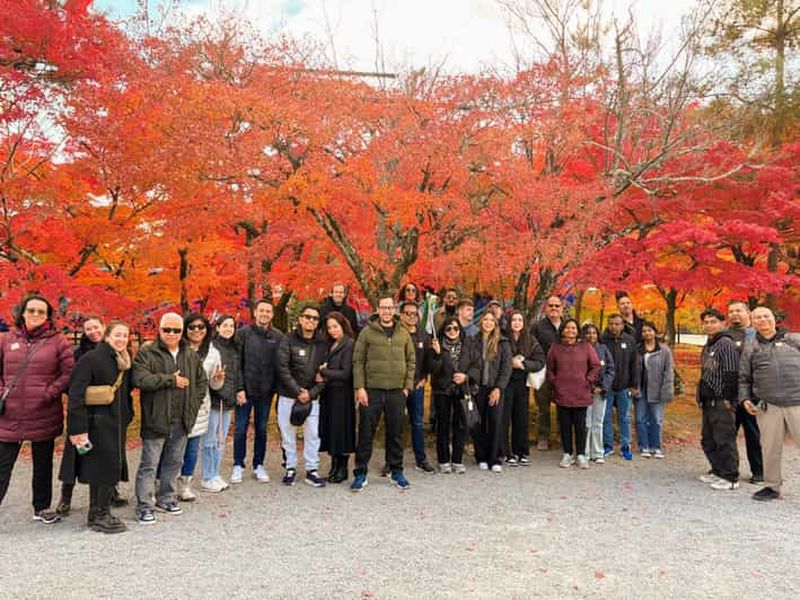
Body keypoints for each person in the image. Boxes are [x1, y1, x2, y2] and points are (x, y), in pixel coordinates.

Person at [0, 295, 75, 525]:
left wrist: (48, 392)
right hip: (10, 413)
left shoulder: (58, 342)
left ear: (47, 316)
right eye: (31, 310)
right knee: (2, 464)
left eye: (41, 312)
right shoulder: (5, 339)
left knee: (42, 464)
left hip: (44, 411)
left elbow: (68, 373)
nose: (35, 315)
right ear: (22, 312)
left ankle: (41, 507)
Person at [132, 312, 208, 524]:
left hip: (181, 419)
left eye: (176, 330)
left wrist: (192, 407)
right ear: (160, 329)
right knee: (149, 464)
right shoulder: (147, 353)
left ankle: (166, 498)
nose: (171, 334)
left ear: (182, 332)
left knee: (174, 462)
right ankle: (144, 505)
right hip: (156, 418)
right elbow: (140, 379)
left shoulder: (189, 354)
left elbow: (201, 382)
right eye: (167, 329)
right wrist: (170, 380)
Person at [65, 321, 133, 533]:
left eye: (125, 335)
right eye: (117, 335)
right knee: (101, 468)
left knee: (107, 467)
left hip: (116, 422)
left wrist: (128, 414)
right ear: (107, 336)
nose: (121, 339)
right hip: (97, 423)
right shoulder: (91, 359)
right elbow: (75, 395)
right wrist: (77, 428)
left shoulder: (122, 360)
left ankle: (98, 512)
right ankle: (100, 514)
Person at [350, 296, 415, 492]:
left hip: (396, 391)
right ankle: (360, 473)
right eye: (383, 308)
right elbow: (358, 361)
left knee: (395, 433)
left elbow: (411, 361)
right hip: (372, 390)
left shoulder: (403, 333)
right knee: (365, 433)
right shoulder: (367, 332)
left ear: (394, 310)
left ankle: (396, 471)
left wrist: (407, 388)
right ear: (378, 309)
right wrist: (360, 387)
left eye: (390, 308)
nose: (387, 311)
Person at [739, 306, 800, 502]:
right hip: (768, 405)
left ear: (774, 318)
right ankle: (772, 487)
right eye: (757, 317)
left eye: (766, 316)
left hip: (797, 402)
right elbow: (744, 378)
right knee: (769, 448)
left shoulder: (794, 340)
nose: (762, 320)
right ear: (752, 322)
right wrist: (745, 399)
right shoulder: (750, 347)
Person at [232, 299, 283, 484]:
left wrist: (275, 388)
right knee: (240, 428)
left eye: (268, 311)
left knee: (261, 429)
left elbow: (280, 364)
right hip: (245, 391)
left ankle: (258, 464)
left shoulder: (278, 336)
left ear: (272, 314)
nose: (264, 314)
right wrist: (239, 388)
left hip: (266, 392)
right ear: (255, 312)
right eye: (261, 310)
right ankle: (238, 464)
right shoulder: (243, 334)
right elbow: (236, 363)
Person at [276, 304, 328, 487]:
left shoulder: (322, 343)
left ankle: (312, 470)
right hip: (288, 395)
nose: (311, 321)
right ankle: (290, 468)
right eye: (307, 317)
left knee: (313, 434)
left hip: (312, 397)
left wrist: (311, 393)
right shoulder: (287, 339)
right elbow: (282, 368)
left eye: (315, 318)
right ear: (300, 318)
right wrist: (298, 392)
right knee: (287, 433)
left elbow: (325, 373)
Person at [177, 313, 224, 501]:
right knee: (172, 448)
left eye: (201, 327)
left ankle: (184, 485)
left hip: (200, 406)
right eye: (192, 327)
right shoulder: (177, 348)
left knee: (192, 448)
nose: (196, 330)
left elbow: (214, 386)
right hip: (177, 403)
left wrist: (218, 380)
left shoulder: (213, 353)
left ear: (207, 330)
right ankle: (163, 484)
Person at [428, 317, 481, 474]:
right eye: (448, 328)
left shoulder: (468, 345)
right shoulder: (436, 344)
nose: (452, 331)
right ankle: (443, 460)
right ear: (444, 330)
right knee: (443, 425)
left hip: (462, 390)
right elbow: (433, 369)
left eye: (456, 328)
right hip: (442, 390)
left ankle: (457, 459)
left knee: (461, 425)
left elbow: (477, 365)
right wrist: (437, 354)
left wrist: (466, 376)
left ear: (460, 330)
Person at [547, 318, 601, 469]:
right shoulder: (555, 347)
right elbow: (549, 369)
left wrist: (588, 380)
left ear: (578, 331)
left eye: (573, 328)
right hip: (562, 392)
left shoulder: (586, 346)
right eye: (567, 328)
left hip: (581, 392)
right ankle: (567, 453)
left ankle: (581, 454)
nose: (570, 330)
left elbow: (596, 366)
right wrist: (555, 382)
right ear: (562, 330)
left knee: (580, 425)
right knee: (564, 425)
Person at [697, 308, 740, 491]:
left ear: (723, 323)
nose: (709, 325)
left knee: (724, 439)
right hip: (708, 400)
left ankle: (730, 476)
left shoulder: (726, 344)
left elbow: (732, 372)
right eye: (706, 322)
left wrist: (729, 398)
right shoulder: (710, 344)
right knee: (708, 439)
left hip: (722, 400)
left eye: (713, 322)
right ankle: (717, 470)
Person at [201, 315, 243, 493]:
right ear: (217, 328)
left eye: (231, 326)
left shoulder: (235, 347)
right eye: (225, 325)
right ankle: (207, 476)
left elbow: (237, 372)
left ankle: (215, 473)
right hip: (215, 399)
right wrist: (222, 393)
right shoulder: (211, 347)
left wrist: (239, 390)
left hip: (228, 400)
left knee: (221, 439)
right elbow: (210, 375)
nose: (228, 329)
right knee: (210, 439)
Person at [726, 300, 763, 484]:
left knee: (753, 434)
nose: (734, 314)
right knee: (726, 434)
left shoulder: (757, 335)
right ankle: (727, 469)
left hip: (752, 394)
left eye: (738, 310)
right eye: (731, 311)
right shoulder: (724, 335)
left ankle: (759, 471)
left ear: (748, 312)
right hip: (730, 393)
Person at [502, 311, 545, 466]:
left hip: (521, 383)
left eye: (520, 320)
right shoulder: (502, 337)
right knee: (504, 418)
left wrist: (523, 364)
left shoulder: (530, 339)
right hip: (504, 382)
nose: (517, 322)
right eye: (514, 319)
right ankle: (505, 452)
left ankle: (521, 451)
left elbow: (540, 361)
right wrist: (510, 363)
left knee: (521, 418)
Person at [318, 311, 355, 483]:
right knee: (332, 429)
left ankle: (343, 468)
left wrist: (324, 371)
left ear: (343, 326)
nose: (332, 330)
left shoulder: (349, 344)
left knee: (342, 430)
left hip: (342, 393)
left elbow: (346, 373)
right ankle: (334, 466)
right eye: (329, 327)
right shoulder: (331, 344)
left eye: (335, 326)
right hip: (329, 392)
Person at [473, 311, 512, 473]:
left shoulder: (503, 342)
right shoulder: (473, 340)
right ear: (481, 322)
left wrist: (498, 388)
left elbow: (506, 368)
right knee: (479, 423)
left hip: (495, 387)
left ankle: (495, 457)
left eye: (491, 320)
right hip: (478, 387)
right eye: (485, 319)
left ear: (495, 323)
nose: (488, 322)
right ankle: (481, 456)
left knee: (496, 422)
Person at [398, 300, 435, 474]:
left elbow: (428, 360)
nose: (412, 317)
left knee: (418, 424)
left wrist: (424, 377)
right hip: (398, 386)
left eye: (415, 314)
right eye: (408, 313)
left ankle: (421, 460)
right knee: (396, 424)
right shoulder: (396, 333)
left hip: (417, 386)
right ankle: (392, 461)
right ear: (401, 315)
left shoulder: (424, 335)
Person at [601, 314, 641, 461]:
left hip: (624, 386)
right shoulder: (603, 340)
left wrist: (634, 385)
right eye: (611, 324)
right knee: (606, 417)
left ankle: (625, 446)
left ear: (622, 325)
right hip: (607, 386)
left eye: (617, 324)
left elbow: (634, 364)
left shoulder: (629, 340)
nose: (614, 327)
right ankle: (608, 445)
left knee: (624, 417)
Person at [635, 321, 674, 459]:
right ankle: (644, 446)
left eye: (649, 330)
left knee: (656, 419)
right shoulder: (637, 349)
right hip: (641, 388)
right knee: (640, 418)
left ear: (655, 332)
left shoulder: (664, 350)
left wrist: (667, 390)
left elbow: (669, 372)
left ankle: (656, 446)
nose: (647, 333)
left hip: (658, 388)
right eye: (644, 331)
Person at [532, 295, 563, 451]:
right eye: (551, 305)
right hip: (543, 371)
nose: (554, 308)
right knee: (543, 406)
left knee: (564, 404)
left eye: (557, 306)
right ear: (546, 308)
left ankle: (562, 436)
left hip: (564, 373)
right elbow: (532, 348)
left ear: (561, 308)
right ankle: (543, 437)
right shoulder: (538, 327)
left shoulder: (567, 325)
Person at [580, 323, 615, 464]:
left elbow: (610, 369)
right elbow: (579, 371)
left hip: (602, 392)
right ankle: (585, 452)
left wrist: (603, 386)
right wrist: (591, 386)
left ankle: (597, 452)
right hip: (585, 390)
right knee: (587, 422)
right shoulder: (579, 349)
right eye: (588, 333)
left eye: (594, 333)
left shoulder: (603, 349)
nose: (591, 335)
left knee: (598, 422)